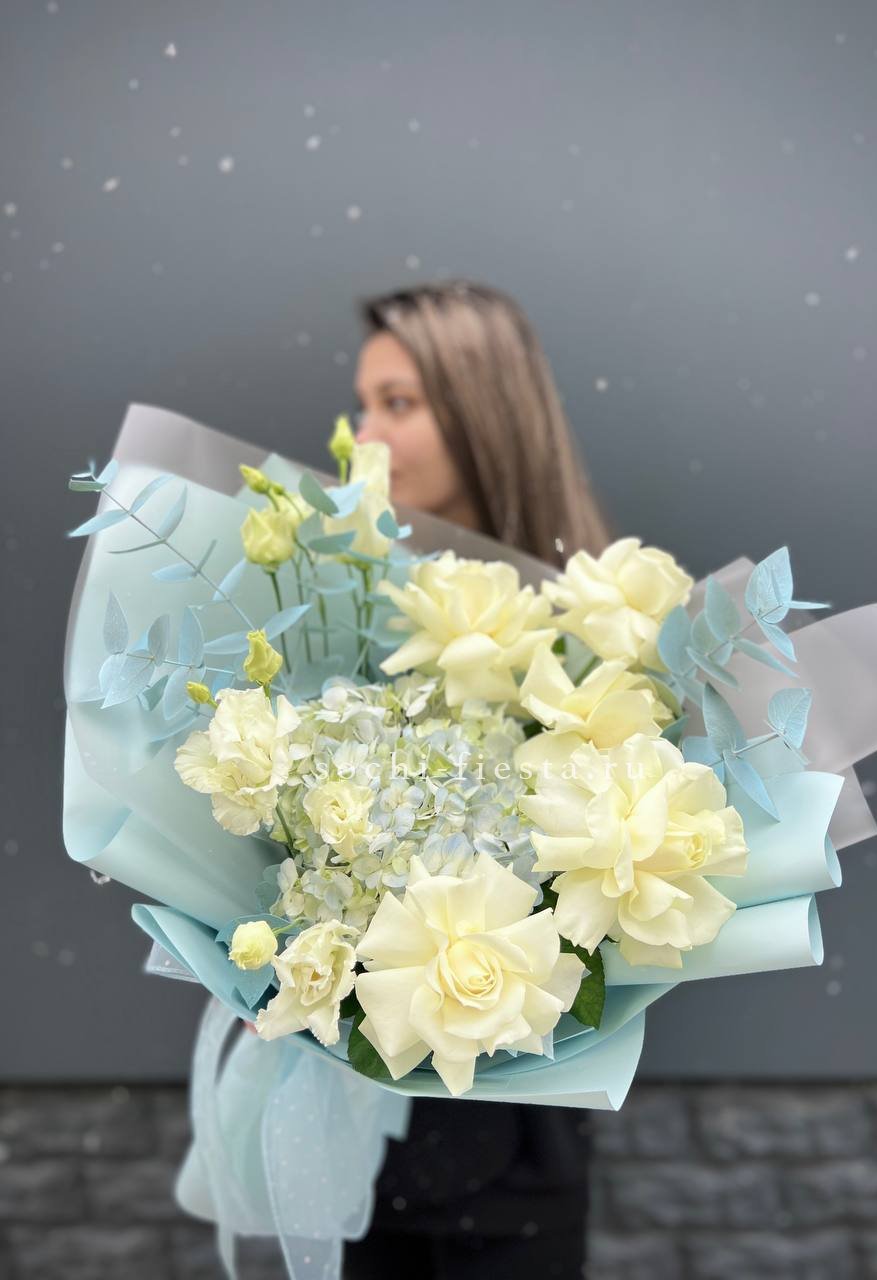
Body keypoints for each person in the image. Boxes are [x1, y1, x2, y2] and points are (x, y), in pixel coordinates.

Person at [342, 280, 611, 1280]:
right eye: (363, 404)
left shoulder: (594, 633)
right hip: (346, 1138)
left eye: (398, 403)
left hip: (512, 1160)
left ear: (482, 411)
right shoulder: (339, 614)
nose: (367, 436)